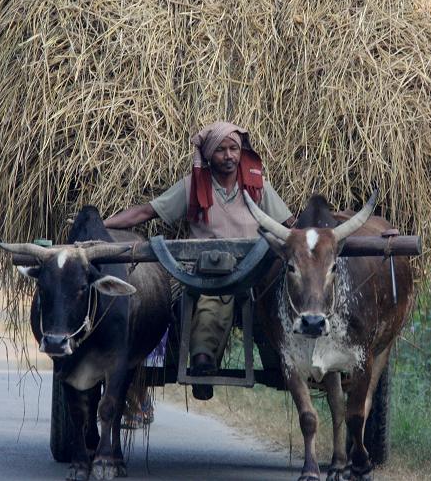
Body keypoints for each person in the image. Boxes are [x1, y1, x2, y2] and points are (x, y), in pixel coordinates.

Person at [104, 121, 294, 399]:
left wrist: (322, 240)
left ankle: (285, 359)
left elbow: (290, 225)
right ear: (207, 155)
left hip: (254, 273)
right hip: (206, 272)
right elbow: (146, 212)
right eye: (221, 150)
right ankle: (202, 361)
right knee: (210, 297)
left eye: (234, 149)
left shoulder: (257, 186)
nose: (228, 156)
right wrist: (103, 225)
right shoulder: (193, 186)